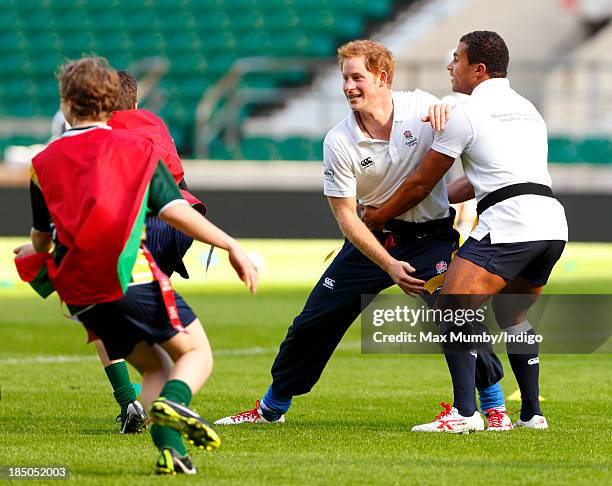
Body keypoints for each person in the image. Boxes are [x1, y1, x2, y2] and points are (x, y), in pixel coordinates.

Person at [215, 39, 509, 430]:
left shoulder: (421, 107)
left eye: (358, 77)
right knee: (312, 323)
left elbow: (462, 114)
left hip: (432, 238)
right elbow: (347, 218)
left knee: (456, 312)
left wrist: (449, 105)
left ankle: (494, 407)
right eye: (344, 78)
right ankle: (271, 408)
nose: (349, 86)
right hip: (374, 241)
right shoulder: (338, 141)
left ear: (382, 77)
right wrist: (389, 265)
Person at [13, 57, 258, 474]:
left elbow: (41, 237)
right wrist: (228, 243)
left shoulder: (43, 163)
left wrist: (28, 254)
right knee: (195, 354)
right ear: (116, 107)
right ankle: (174, 406)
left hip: (79, 294)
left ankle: (171, 453)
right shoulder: (137, 149)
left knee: (155, 368)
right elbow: (177, 209)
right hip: (128, 277)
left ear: (66, 105)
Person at [362, 31, 568, 432]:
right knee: (514, 316)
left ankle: (465, 413)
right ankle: (531, 414)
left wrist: (378, 215)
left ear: (478, 69)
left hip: (509, 223)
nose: (450, 66)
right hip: (550, 225)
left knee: (452, 306)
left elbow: (422, 184)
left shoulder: (466, 113)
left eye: (456, 58)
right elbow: (479, 181)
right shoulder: (529, 110)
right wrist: (435, 202)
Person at [81, 70, 207, 434]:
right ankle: (164, 410)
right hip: (182, 221)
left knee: (106, 312)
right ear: (135, 102)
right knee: (147, 313)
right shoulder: (153, 121)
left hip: (139, 225)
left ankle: (131, 401)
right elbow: (177, 179)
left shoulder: (97, 134)